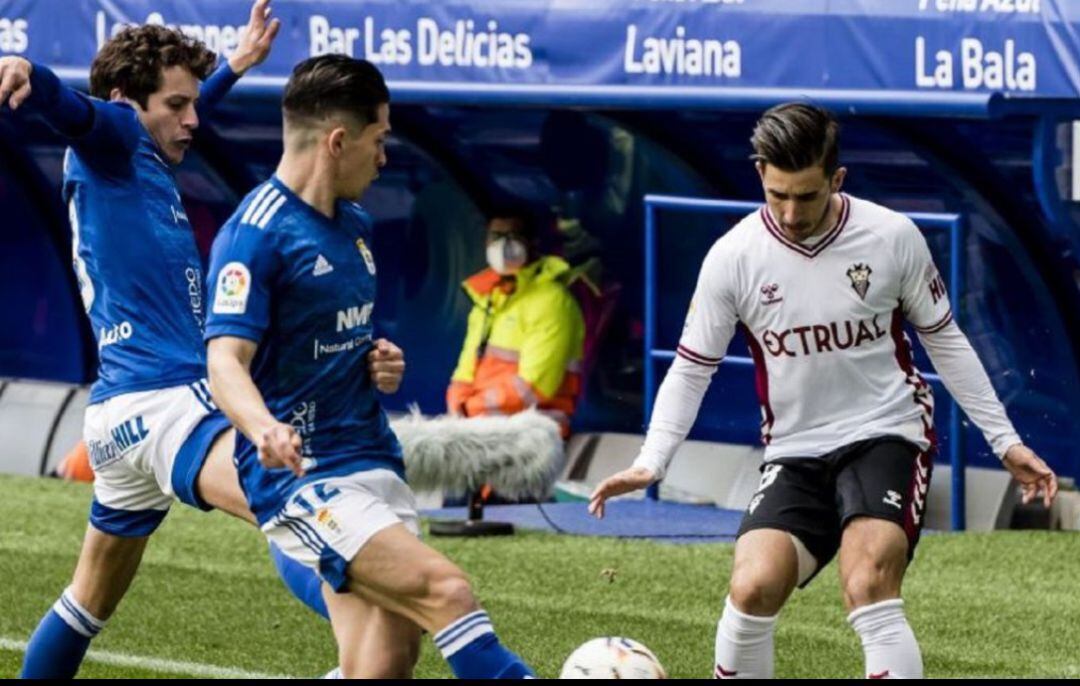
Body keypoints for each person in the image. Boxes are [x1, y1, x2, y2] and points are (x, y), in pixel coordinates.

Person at [588, 103, 1058, 679]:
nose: (789, 212)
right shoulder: (732, 259)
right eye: (776, 193)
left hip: (887, 431)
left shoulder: (891, 238)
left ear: (837, 180)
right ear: (760, 172)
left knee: (866, 582)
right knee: (752, 586)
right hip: (793, 448)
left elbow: (947, 342)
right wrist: (651, 460)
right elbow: (691, 369)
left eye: (806, 196)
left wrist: (1004, 441)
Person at [0, 5, 365, 678]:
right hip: (164, 402)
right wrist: (29, 72)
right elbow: (75, 111)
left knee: (86, 603)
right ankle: (368, 651)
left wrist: (236, 66)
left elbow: (160, 114)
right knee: (292, 504)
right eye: (178, 105)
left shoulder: (137, 151)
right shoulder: (110, 135)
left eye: (195, 103)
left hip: (119, 414)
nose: (195, 120)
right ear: (123, 102)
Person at [204, 54, 535, 679]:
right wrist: (260, 427)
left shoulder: (354, 223)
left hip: (374, 460)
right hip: (307, 477)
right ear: (337, 141)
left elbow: (323, 333)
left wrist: (376, 360)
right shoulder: (253, 237)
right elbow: (225, 359)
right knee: (448, 593)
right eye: (379, 139)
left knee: (383, 663)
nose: (385, 155)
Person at [446, 205, 585, 438]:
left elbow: (534, 388)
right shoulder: (489, 298)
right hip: (483, 426)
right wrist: (458, 403)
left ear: (532, 243)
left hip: (534, 432)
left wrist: (470, 409)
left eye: (513, 236)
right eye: (496, 236)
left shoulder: (551, 301)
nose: (503, 244)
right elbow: (465, 370)